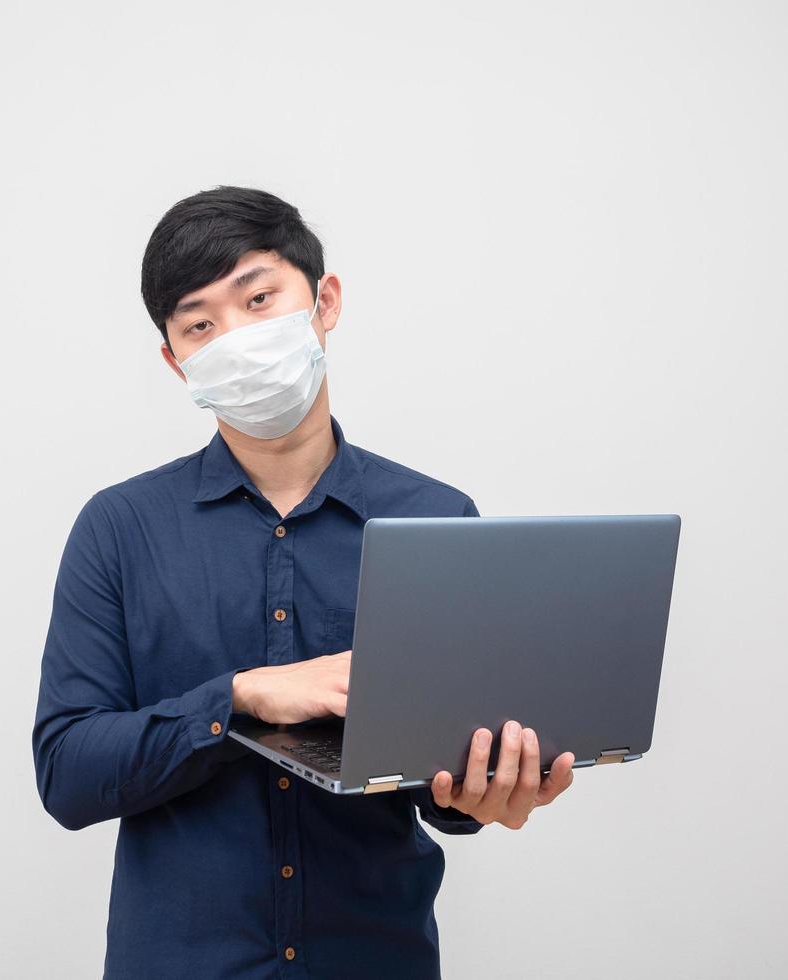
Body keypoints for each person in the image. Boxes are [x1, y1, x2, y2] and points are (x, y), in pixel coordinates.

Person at [32, 186, 577, 979]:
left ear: (324, 300)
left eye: (259, 299)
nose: (237, 338)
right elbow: (69, 772)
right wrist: (241, 698)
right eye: (200, 325)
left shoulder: (434, 516)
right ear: (174, 358)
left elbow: (440, 781)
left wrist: (484, 793)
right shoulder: (120, 528)